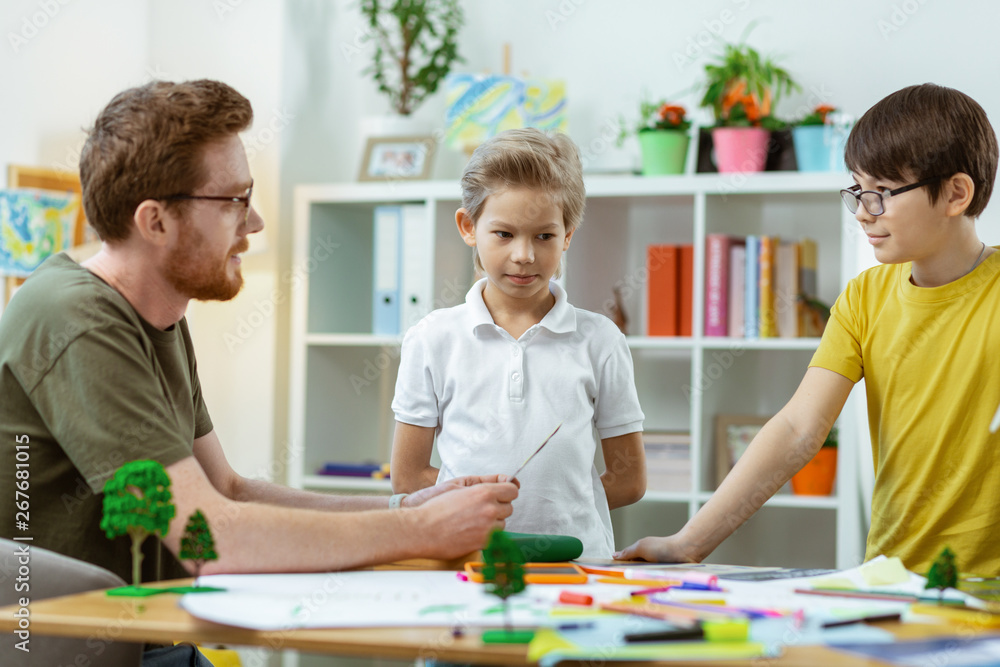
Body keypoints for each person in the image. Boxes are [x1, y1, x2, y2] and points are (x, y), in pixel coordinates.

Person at [0, 80, 519, 591]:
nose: (256, 221)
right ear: (155, 222)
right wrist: (423, 530)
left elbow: (228, 490)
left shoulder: (157, 315)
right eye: (233, 199)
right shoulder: (76, 320)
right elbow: (213, 539)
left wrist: (406, 505)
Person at [617, 83, 1000, 577]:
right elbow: (799, 428)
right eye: (858, 190)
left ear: (955, 193)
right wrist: (690, 542)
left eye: (882, 193)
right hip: (891, 577)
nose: (863, 210)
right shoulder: (865, 297)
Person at [390, 128, 647, 558]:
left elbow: (629, 479)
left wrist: (559, 510)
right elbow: (408, 476)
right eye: (504, 234)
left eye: (544, 236)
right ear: (468, 227)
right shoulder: (432, 339)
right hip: (466, 561)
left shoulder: (601, 341)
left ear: (567, 234)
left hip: (578, 564)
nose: (524, 255)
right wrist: (473, 509)